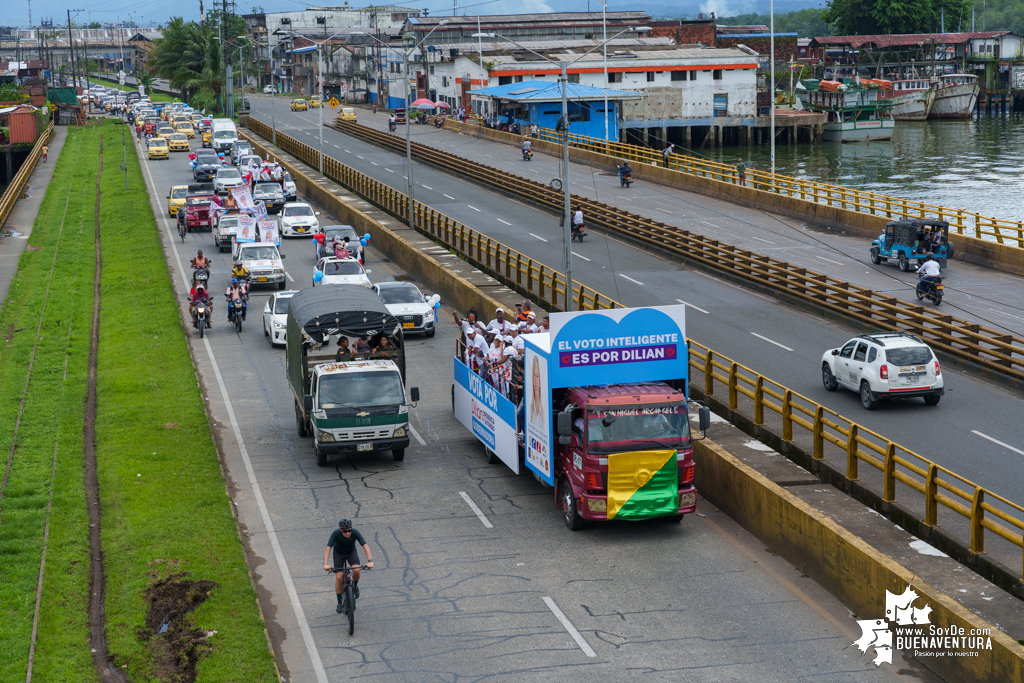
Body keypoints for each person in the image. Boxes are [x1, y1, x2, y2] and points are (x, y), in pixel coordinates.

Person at [323, 518, 373, 609]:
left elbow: (365, 545)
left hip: (351, 553)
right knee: (339, 577)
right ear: (340, 530)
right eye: (345, 531)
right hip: (339, 554)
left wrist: (370, 561)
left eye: (349, 531)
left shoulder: (355, 532)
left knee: (357, 570)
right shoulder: (336, 533)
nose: (348, 533)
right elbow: (328, 548)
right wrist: (326, 564)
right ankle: (339, 603)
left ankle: (354, 586)